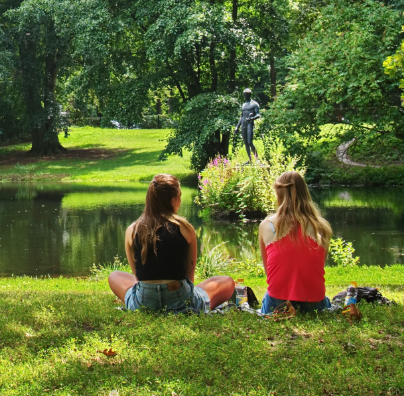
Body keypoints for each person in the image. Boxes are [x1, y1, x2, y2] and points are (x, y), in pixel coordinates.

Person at [108, 174, 235, 313]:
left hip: (144, 301)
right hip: (181, 300)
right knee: (227, 282)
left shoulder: (132, 230)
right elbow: (190, 278)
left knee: (115, 276)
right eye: (180, 196)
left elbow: (138, 277)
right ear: (173, 200)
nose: (180, 200)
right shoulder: (185, 228)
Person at [258, 170, 333, 315]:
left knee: (267, 297)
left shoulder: (266, 226)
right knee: (327, 301)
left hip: (279, 304)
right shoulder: (321, 227)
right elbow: (319, 266)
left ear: (279, 194)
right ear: (305, 192)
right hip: (314, 304)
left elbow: (269, 274)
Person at [236, 88, 261, 162]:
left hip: (249, 124)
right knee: (246, 143)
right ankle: (250, 160)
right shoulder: (243, 105)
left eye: (246, 95)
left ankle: (256, 159)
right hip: (243, 124)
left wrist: (252, 118)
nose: (245, 96)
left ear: (249, 95)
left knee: (250, 142)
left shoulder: (254, 104)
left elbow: (258, 114)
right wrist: (237, 127)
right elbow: (242, 117)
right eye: (244, 95)